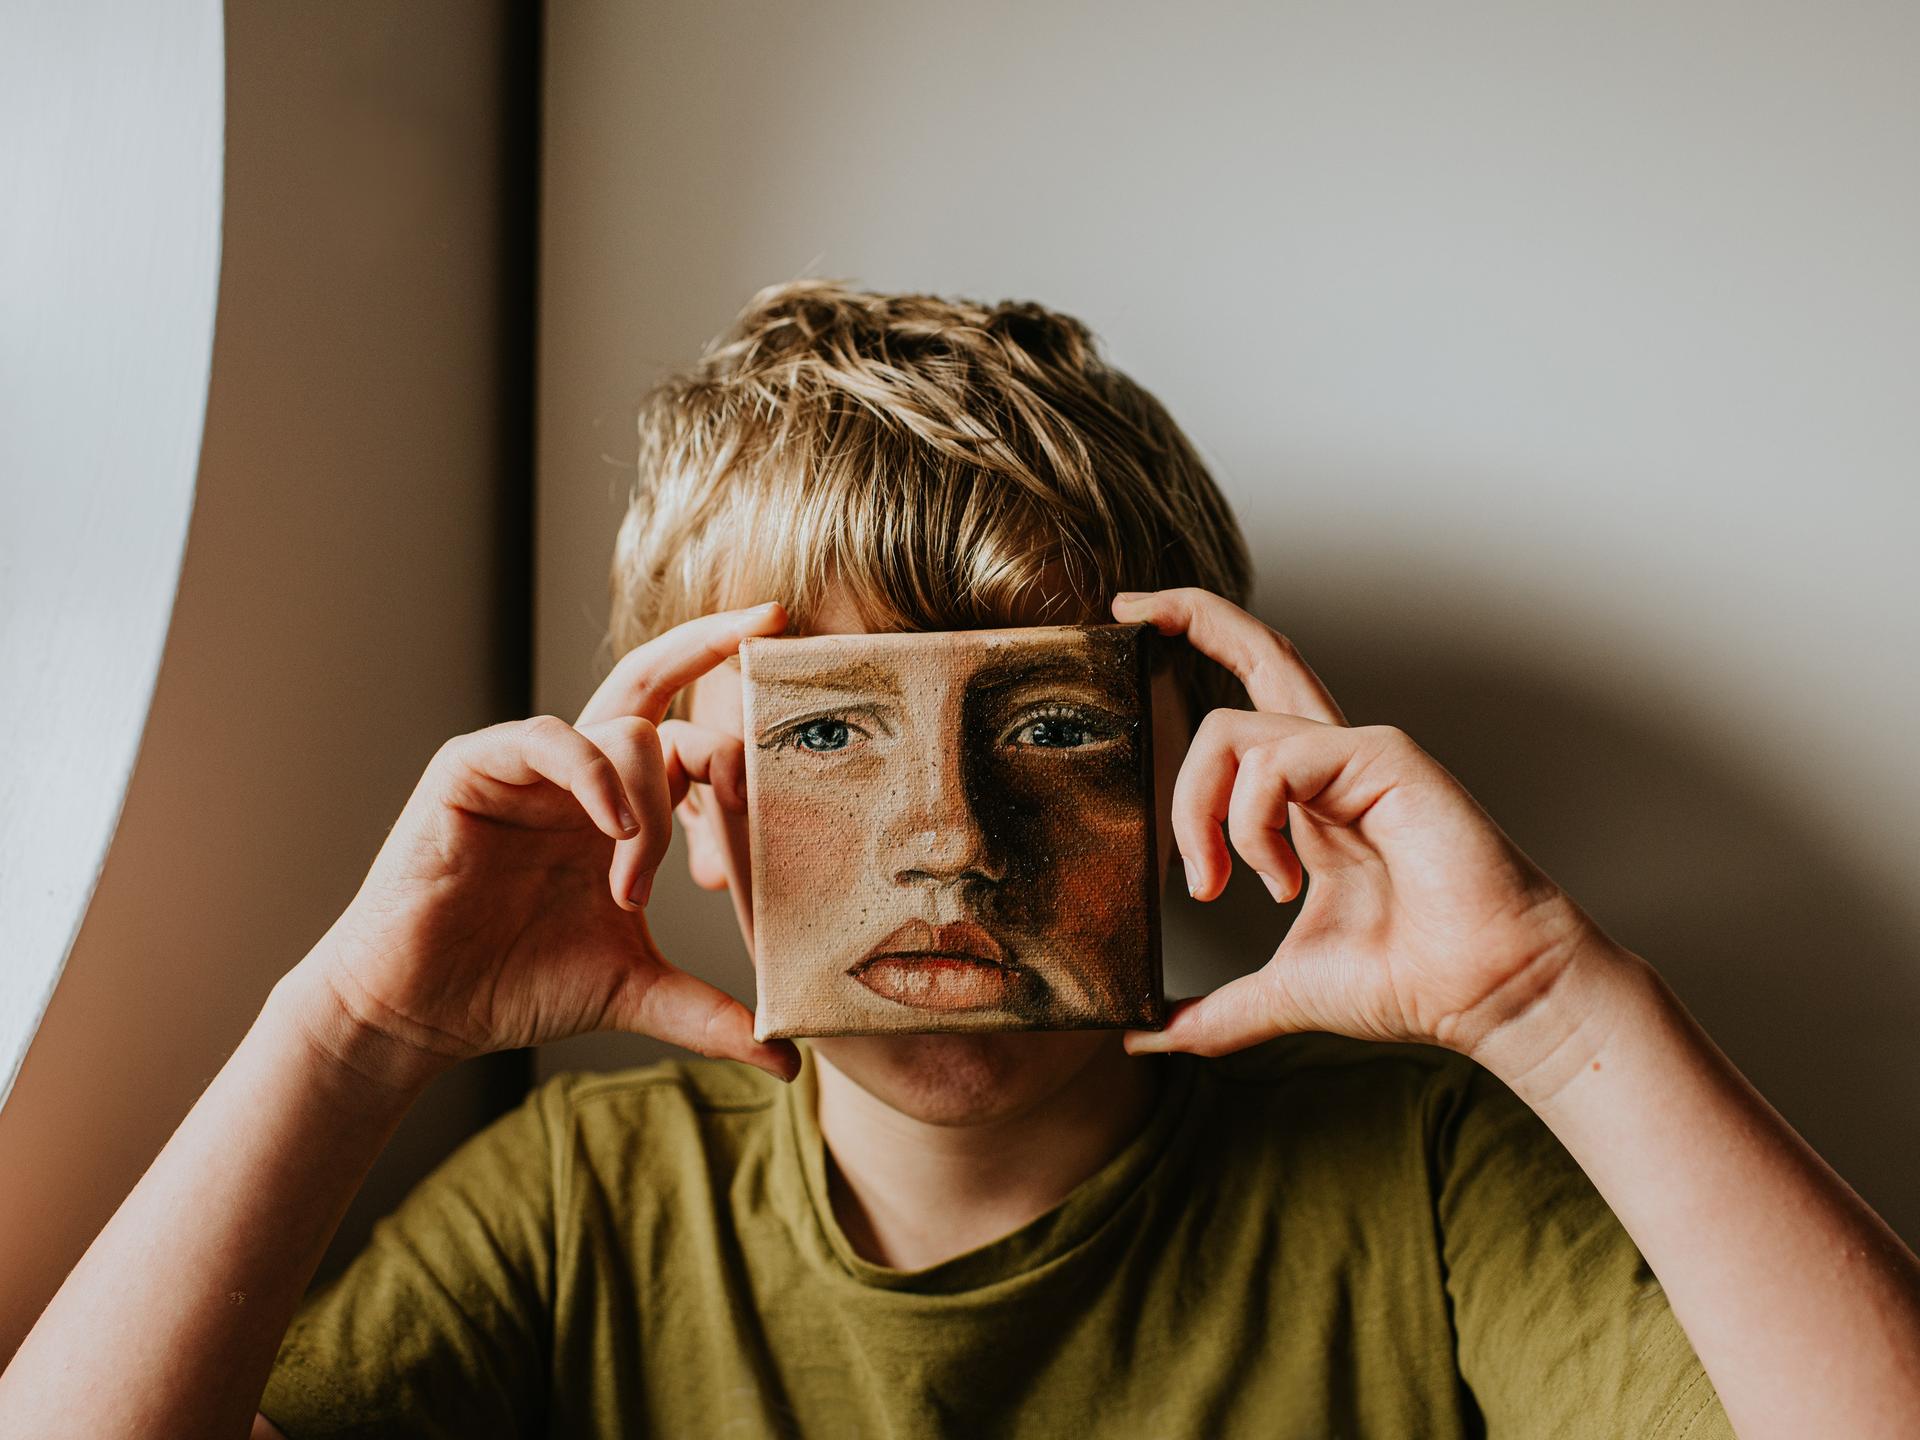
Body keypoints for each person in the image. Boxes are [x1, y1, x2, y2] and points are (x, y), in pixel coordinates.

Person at [3, 281, 1916, 1438]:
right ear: (693, 793)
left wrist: (1550, 1011)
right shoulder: (585, 1207)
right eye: (829, 731)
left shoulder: (1416, 1179)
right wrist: (351, 1022)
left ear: (1196, 763)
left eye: (1054, 727)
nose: (949, 850)